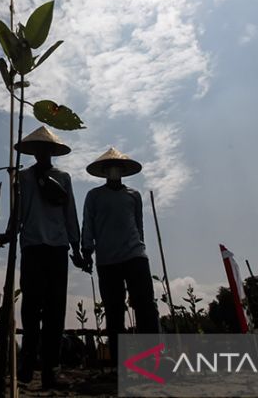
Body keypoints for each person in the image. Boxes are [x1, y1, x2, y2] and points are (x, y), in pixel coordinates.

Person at [10, 126, 83, 389]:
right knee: (30, 308)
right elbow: (17, 211)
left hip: (58, 247)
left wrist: (77, 246)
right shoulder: (23, 177)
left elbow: (70, 212)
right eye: (38, 148)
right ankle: (26, 367)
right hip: (31, 245)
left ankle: (52, 368)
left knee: (55, 308)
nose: (42, 152)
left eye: (46, 148)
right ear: (33, 151)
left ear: (52, 151)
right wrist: (10, 232)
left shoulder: (63, 177)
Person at [80, 147, 160, 364]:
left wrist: (141, 247)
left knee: (145, 306)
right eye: (110, 169)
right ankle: (119, 362)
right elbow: (88, 224)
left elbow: (139, 225)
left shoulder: (133, 196)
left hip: (135, 255)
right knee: (114, 310)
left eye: (117, 168)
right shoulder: (94, 196)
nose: (114, 172)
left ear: (123, 172)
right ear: (104, 172)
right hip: (107, 259)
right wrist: (86, 250)